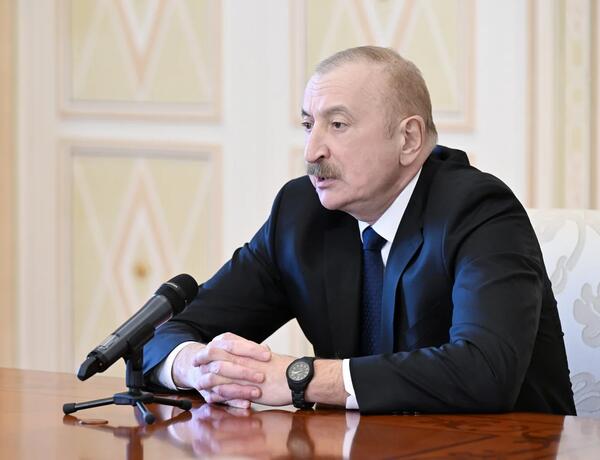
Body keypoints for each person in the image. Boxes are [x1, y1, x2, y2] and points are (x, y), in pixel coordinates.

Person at [143, 46, 576, 415]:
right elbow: (161, 336)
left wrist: (301, 378)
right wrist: (195, 366)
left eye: (338, 125)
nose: (312, 151)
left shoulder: (479, 211)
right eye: (308, 125)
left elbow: (485, 372)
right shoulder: (301, 213)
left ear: (408, 139)